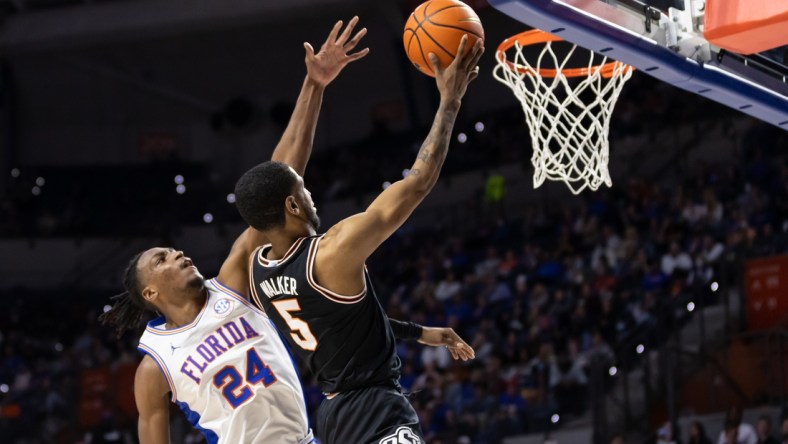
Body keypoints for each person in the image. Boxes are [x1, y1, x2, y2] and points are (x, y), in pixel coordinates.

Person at [100, 18, 468, 444]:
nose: (177, 254)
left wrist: (314, 85)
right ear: (150, 293)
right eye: (160, 258)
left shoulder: (240, 279)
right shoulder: (156, 363)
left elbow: (280, 175)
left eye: (171, 249)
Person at [234, 36, 484, 444]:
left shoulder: (256, 270)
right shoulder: (332, 251)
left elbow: (342, 324)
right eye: (303, 191)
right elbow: (417, 183)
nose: (310, 195)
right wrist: (450, 102)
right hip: (375, 408)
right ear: (293, 207)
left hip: (333, 417)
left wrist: (420, 332)